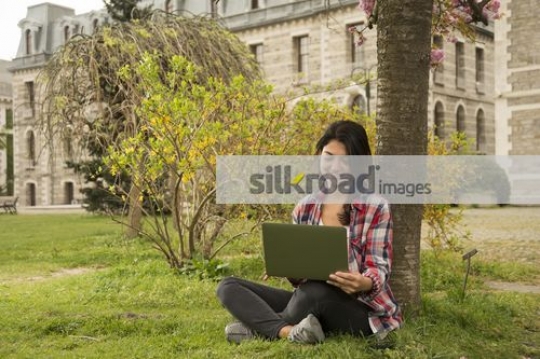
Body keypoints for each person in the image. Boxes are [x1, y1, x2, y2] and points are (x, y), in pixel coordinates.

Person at [216, 120, 402, 345]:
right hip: (310, 297)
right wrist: (287, 266)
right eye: (328, 156)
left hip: (361, 309)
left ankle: (259, 329)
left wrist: (363, 282)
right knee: (228, 286)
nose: (334, 167)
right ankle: (290, 331)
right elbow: (301, 279)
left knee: (314, 292)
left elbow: (379, 269)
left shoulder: (376, 206)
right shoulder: (305, 207)